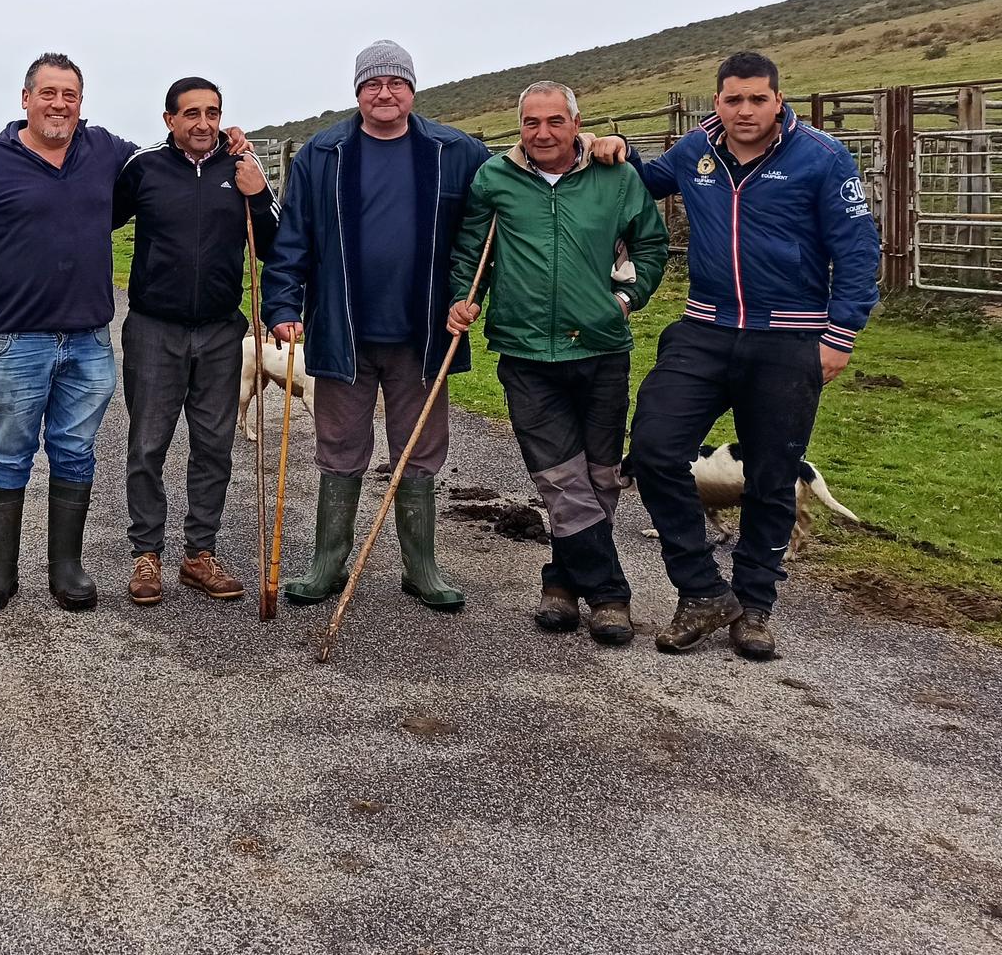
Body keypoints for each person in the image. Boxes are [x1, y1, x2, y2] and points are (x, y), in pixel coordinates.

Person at [0, 53, 249, 616]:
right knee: (8, 451)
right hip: (15, 336)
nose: (59, 105)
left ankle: (66, 568)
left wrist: (228, 147)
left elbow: (175, 153)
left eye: (70, 96)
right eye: (48, 94)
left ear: (82, 104)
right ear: (25, 98)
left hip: (87, 339)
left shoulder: (106, 152)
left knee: (75, 451)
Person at [598, 51, 880, 660]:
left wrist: (840, 334)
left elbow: (858, 251)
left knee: (773, 474)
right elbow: (642, 183)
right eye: (733, 100)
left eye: (757, 99)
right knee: (652, 449)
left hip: (790, 334)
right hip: (705, 326)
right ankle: (701, 588)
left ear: (778, 100)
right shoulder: (698, 153)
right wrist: (616, 147)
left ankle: (754, 608)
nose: (745, 110)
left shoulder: (824, 158)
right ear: (717, 102)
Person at [260, 40, 491, 611]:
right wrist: (283, 305)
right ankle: (326, 565)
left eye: (395, 83)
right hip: (344, 332)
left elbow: (486, 229)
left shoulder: (455, 151)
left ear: (412, 89)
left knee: (419, 447)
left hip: (424, 333)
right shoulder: (323, 154)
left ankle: (422, 568)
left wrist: (590, 144)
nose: (384, 94)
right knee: (339, 445)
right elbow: (293, 238)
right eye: (372, 84)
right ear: (358, 91)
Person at [445, 81, 669, 645]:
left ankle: (563, 585)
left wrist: (624, 300)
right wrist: (460, 296)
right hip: (524, 351)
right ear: (519, 126)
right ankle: (611, 596)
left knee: (599, 477)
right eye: (530, 123)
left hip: (600, 348)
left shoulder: (615, 176)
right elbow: (473, 250)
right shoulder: (495, 178)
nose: (542, 133)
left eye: (554, 122)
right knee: (559, 479)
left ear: (576, 123)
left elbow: (651, 245)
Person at [112, 77, 278, 605]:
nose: (203, 123)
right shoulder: (143, 170)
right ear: (169, 121)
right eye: (191, 114)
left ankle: (199, 554)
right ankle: (147, 554)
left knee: (215, 444)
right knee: (147, 442)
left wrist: (257, 194)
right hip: (154, 327)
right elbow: (95, 220)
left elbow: (275, 244)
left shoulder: (243, 170)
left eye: (212, 113)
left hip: (221, 330)